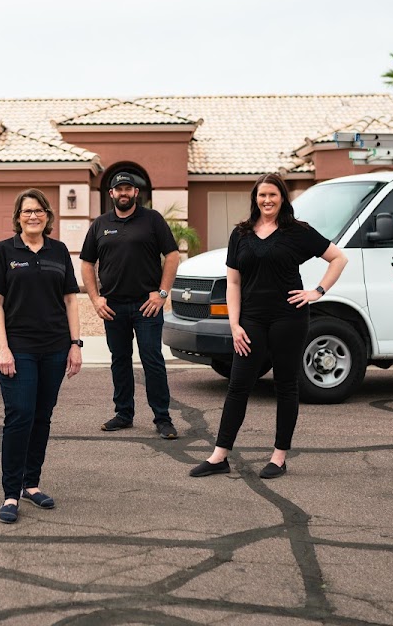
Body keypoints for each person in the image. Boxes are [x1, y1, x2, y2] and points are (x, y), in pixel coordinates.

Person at [190, 173, 348, 480]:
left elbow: (338, 258)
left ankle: (278, 458)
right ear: (255, 199)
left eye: (273, 195)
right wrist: (234, 324)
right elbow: (233, 282)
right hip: (251, 320)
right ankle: (219, 456)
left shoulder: (297, 232)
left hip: (289, 318)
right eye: (262, 195)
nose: (267, 200)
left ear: (282, 198)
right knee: (238, 387)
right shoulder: (241, 234)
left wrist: (317, 292)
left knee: (286, 385)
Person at [0, 189, 83, 524]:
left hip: (55, 347)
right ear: (18, 217)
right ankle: (11, 492)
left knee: (42, 416)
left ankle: (32, 483)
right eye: (27, 211)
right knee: (20, 415)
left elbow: (71, 299)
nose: (33, 216)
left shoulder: (58, 251)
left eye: (39, 211)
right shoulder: (3, 251)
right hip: (18, 348)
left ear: (47, 215)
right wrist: (3, 348)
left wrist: (75, 344)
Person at [80, 171, 181, 439]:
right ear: (111, 194)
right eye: (118, 189)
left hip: (146, 306)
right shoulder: (100, 224)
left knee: (152, 360)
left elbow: (171, 254)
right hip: (113, 307)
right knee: (120, 361)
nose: (123, 193)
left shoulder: (152, 220)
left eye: (128, 189)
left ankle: (163, 418)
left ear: (136, 193)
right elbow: (87, 263)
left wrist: (161, 293)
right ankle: (124, 414)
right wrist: (95, 298)